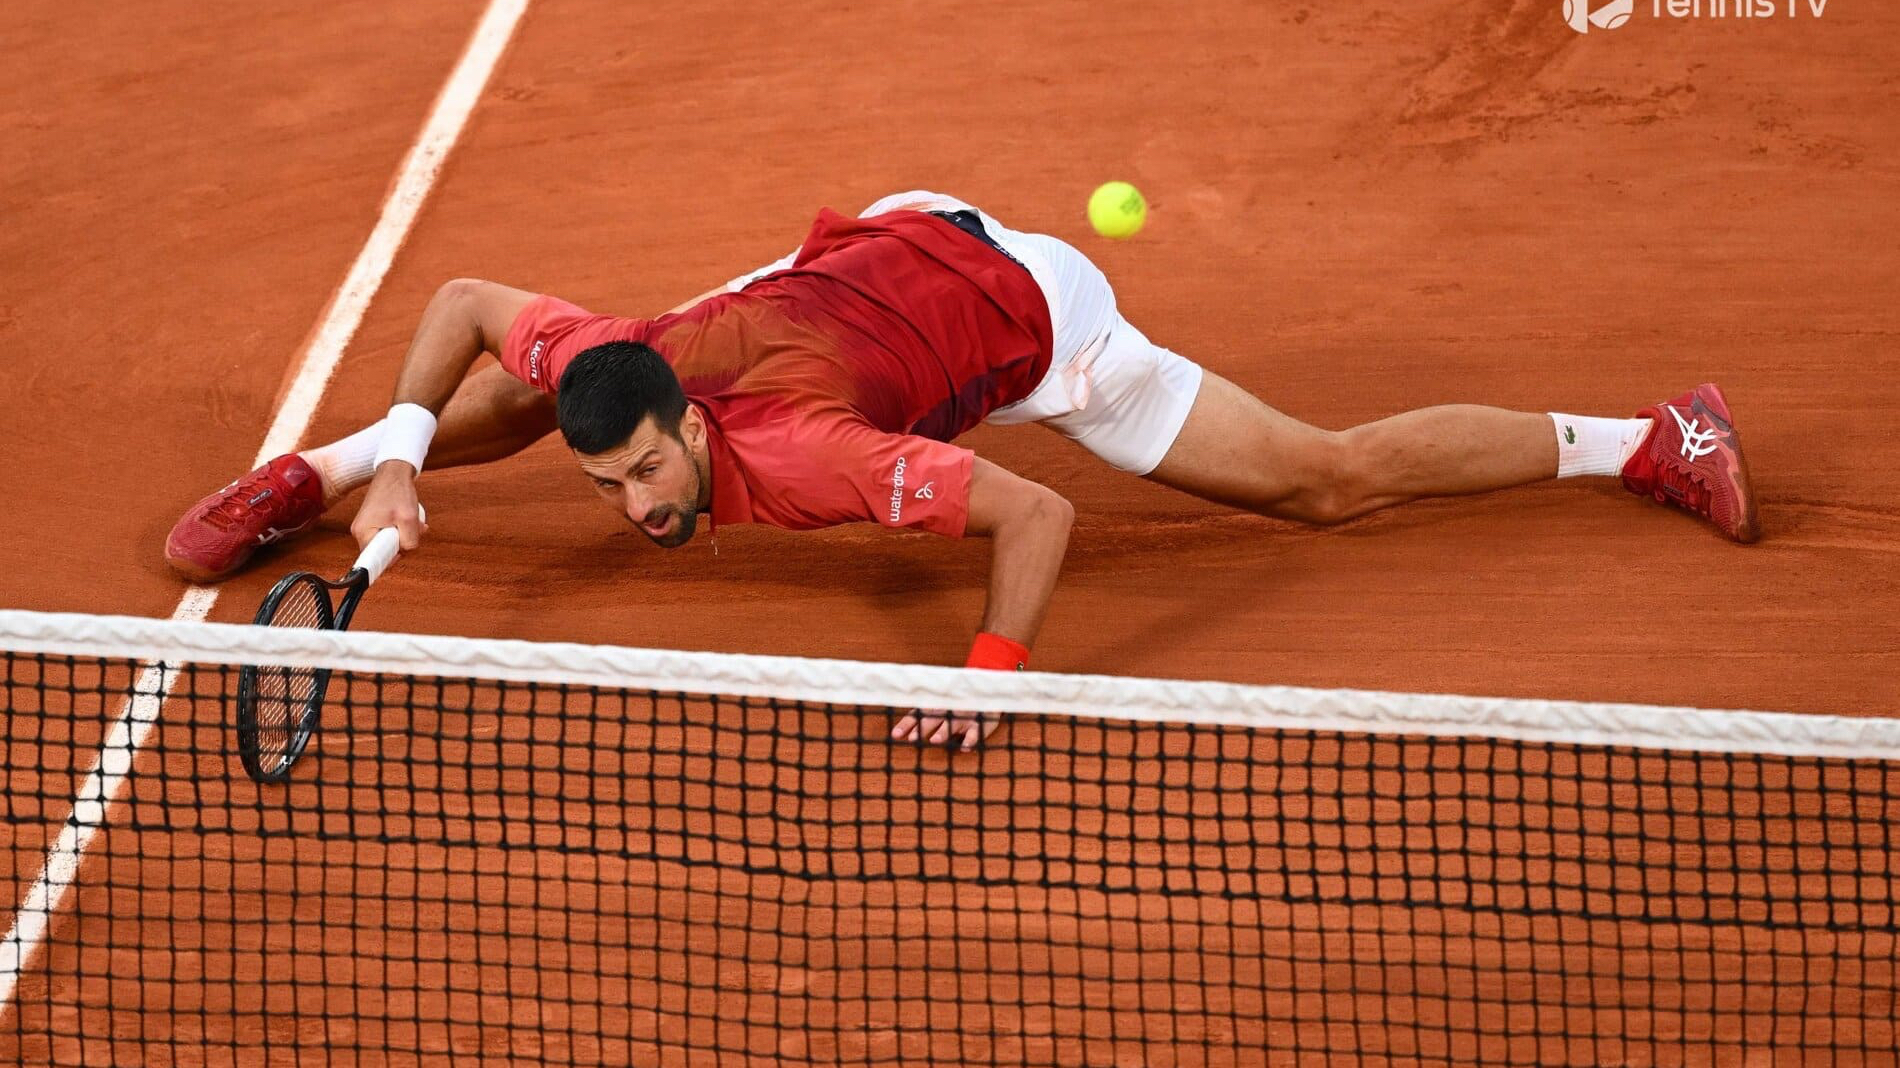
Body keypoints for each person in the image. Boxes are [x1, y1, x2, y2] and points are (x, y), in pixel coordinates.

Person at [166, 191, 1759, 749]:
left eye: (651, 475)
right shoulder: (629, 378)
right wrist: (396, 459)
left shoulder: (817, 462)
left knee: (1323, 478)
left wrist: (989, 674)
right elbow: (462, 298)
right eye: (624, 490)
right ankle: (315, 478)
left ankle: (1654, 437)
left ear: (701, 436)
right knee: (549, 389)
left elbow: (1037, 508)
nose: (642, 508)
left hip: (1034, 316)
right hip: (879, 250)